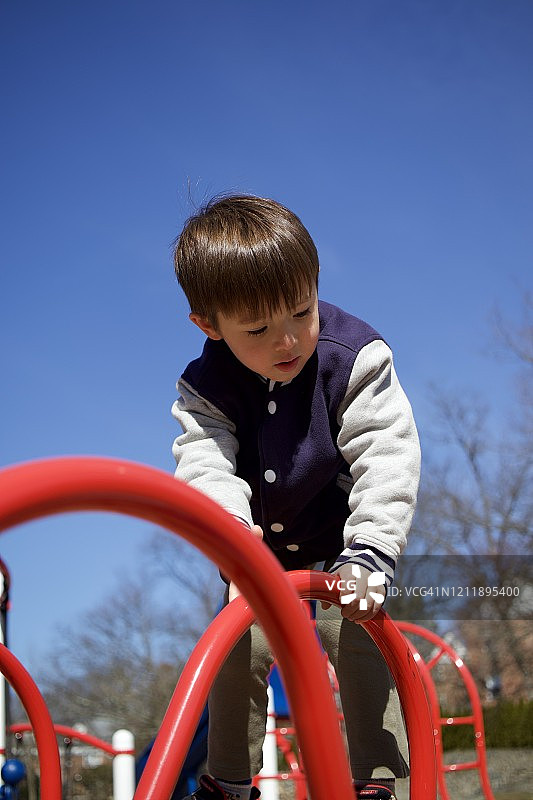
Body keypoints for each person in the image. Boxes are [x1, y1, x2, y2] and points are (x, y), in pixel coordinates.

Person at [171, 195, 421, 800]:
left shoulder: (354, 357)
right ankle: (228, 782)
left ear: (315, 285)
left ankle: (376, 782)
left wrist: (370, 552)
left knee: (358, 629)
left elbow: (387, 453)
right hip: (259, 547)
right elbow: (204, 462)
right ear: (209, 324)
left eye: (302, 312)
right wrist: (233, 544)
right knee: (237, 642)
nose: (287, 340)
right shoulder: (205, 387)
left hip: (344, 538)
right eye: (256, 329)